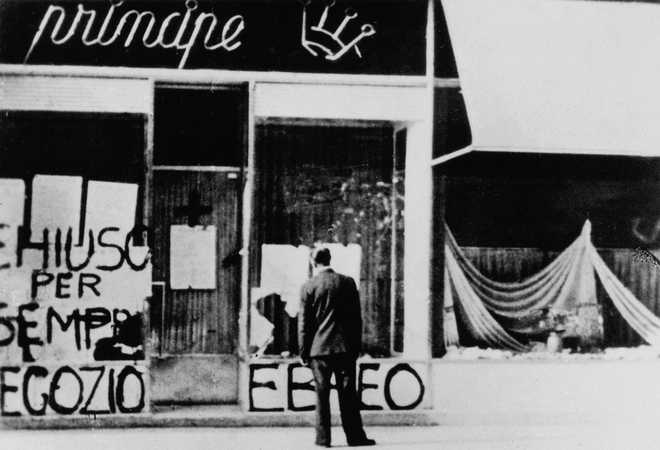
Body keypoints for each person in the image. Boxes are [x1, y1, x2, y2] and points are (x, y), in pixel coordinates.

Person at [298, 247, 376, 448]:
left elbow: (304, 325)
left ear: (313, 263)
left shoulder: (308, 287)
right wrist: (356, 347)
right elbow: (356, 319)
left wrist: (303, 352)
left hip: (319, 350)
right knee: (348, 394)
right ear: (330, 259)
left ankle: (323, 439)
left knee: (321, 396)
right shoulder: (348, 282)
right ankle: (355, 437)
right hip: (344, 349)